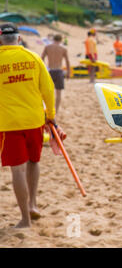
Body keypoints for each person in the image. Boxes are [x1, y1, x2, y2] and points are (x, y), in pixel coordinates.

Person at [0, 23, 56, 228]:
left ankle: (25, 219)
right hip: (34, 120)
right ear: (19, 39)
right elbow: (48, 90)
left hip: (8, 123)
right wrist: (51, 116)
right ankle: (33, 204)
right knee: (34, 162)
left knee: (18, 171)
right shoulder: (33, 57)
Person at [41, 34, 70, 114]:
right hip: (59, 71)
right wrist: (68, 73)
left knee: (47, 92)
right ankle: (56, 111)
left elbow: (42, 58)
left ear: (53, 39)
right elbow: (67, 61)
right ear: (61, 40)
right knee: (58, 93)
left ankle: (46, 109)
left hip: (50, 71)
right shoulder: (63, 48)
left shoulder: (47, 47)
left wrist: (42, 70)